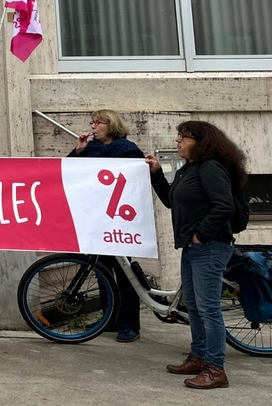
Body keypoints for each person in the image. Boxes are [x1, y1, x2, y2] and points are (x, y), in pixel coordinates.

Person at [146, 121, 246, 390]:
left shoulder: (211, 168)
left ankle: (216, 368)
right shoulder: (189, 169)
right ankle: (198, 357)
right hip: (193, 248)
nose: (177, 140)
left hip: (210, 247)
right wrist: (156, 173)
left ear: (201, 142)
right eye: (178, 135)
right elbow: (170, 199)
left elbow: (223, 206)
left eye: (184, 137)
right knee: (194, 306)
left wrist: (201, 234)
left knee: (209, 308)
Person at [68, 110, 145, 343]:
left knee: (125, 274)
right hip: (96, 218)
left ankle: (130, 324)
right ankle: (109, 317)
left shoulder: (127, 150)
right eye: (91, 122)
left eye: (97, 122)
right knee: (101, 271)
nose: (92, 126)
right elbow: (68, 173)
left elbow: (136, 184)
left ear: (110, 125)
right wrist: (78, 151)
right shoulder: (89, 149)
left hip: (120, 220)